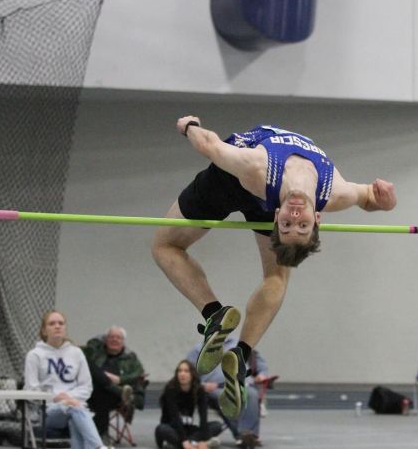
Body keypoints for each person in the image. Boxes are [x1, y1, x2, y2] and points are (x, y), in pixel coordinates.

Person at [152, 118, 397, 419]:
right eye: (300, 224)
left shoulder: (258, 168)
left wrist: (188, 124)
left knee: (165, 246)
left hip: (237, 178)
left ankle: (219, 321)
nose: (295, 215)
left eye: (289, 224)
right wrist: (385, 202)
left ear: (276, 216)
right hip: (236, 177)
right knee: (273, 274)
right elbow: (368, 197)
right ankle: (236, 348)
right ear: (317, 218)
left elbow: (208, 145)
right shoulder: (333, 192)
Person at [24, 310, 107, 449]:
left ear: (65, 328)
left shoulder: (76, 352)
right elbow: (31, 390)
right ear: (44, 330)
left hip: (76, 407)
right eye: (52, 323)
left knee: (74, 415)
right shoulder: (34, 355)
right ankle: (98, 447)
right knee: (73, 408)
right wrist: (56, 398)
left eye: (61, 323)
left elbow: (86, 387)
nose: (57, 326)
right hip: (48, 411)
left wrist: (68, 398)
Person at [187, 337, 268, 447]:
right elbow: (188, 373)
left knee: (252, 394)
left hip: (241, 384)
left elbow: (257, 360)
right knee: (227, 398)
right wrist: (202, 386)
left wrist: (262, 374)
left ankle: (250, 435)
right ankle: (241, 435)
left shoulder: (239, 344)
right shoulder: (198, 350)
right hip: (215, 388)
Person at [82, 325, 147, 441]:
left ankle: (101, 432)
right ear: (105, 339)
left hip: (115, 398)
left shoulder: (130, 357)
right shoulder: (95, 353)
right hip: (90, 393)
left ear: (123, 342)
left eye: (118, 338)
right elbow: (82, 353)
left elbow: (139, 374)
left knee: (103, 393)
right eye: (111, 337)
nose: (114, 340)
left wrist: (120, 379)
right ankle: (101, 433)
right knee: (97, 379)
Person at [155, 359, 220, 449]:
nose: (182, 374)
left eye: (186, 371)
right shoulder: (171, 389)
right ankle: (191, 444)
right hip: (173, 428)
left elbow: (203, 418)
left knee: (216, 426)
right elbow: (175, 418)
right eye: (180, 371)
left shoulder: (199, 390)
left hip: (189, 429)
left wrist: (203, 440)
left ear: (192, 374)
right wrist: (185, 441)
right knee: (161, 429)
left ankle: (187, 444)